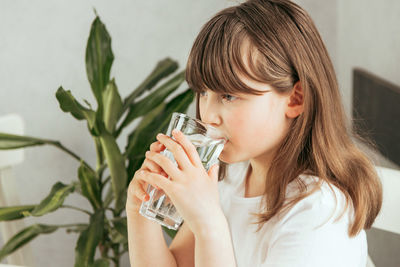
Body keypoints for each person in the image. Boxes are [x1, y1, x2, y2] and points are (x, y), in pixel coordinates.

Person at [126, 0, 383, 266]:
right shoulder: (231, 180)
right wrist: (139, 216)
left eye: (228, 95)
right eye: (203, 92)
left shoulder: (318, 215)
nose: (208, 115)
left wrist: (209, 225)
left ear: (295, 99)